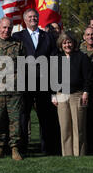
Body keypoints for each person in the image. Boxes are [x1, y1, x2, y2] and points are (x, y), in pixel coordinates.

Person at [13, 8, 60, 155]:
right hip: (25, 82)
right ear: (25, 20)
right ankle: (22, 149)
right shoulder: (17, 36)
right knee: (23, 117)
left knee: (45, 117)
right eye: (30, 17)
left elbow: (54, 59)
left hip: (44, 83)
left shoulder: (48, 37)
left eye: (35, 16)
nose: (33, 19)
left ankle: (47, 149)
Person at [0, 17, 24, 160]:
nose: (6, 30)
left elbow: (23, 64)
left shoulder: (18, 44)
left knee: (15, 121)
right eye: (4, 27)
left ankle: (14, 149)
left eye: (9, 28)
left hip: (14, 89)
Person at [52, 32, 93, 156]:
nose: (67, 45)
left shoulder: (81, 57)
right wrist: (53, 95)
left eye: (69, 42)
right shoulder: (57, 58)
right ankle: (67, 154)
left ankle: (79, 153)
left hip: (77, 95)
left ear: (74, 43)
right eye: (64, 43)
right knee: (65, 127)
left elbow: (88, 77)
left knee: (78, 126)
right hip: (61, 95)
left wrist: (86, 92)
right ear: (61, 44)